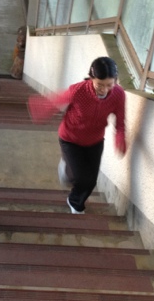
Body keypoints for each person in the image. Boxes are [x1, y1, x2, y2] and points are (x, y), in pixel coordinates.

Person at [28, 57, 127, 214]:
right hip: (70, 139)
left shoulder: (119, 95)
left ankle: (74, 199)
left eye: (109, 85)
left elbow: (120, 122)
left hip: (95, 141)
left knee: (91, 181)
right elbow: (57, 101)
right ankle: (74, 195)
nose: (104, 89)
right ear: (91, 78)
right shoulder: (78, 90)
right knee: (80, 178)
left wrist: (120, 138)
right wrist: (41, 110)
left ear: (116, 81)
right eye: (99, 85)